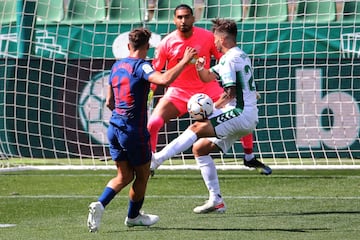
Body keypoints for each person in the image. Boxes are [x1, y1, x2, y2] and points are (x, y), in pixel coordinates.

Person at [152, 18, 272, 214]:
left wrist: (211, 109)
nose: (213, 42)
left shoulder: (228, 59)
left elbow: (229, 92)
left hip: (239, 113)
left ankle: (156, 160)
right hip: (246, 115)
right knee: (200, 149)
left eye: (215, 39)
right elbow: (208, 76)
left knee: (196, 128)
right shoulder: (240, 54)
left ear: (223, 39)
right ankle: (216, 200)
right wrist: (200, 68)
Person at [87, 27, 197, 232]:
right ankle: (133, 216)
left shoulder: (117, 65)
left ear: (129, 46)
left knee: (124, 176)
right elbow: (164, 80)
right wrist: (185, 60)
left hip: (114, 128)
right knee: (143, 175)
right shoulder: (141, 66)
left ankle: (100, 204)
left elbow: (109, 102)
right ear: (147, 47)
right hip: (133, 131)